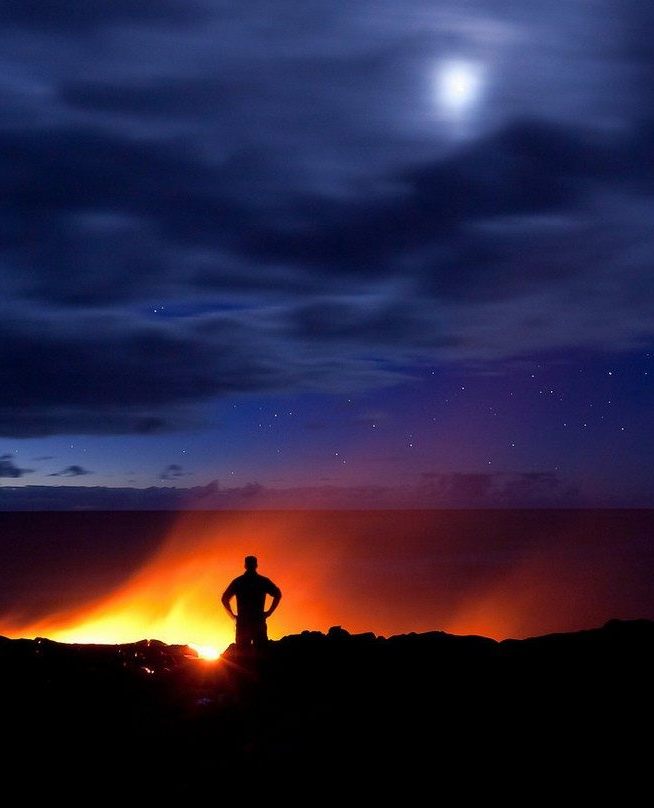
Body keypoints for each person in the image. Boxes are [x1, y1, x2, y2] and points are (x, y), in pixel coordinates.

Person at [221, 555, 282, 650]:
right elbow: (278, 594)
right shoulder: (262, 581)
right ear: (256, 565)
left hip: (243, 622)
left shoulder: (239, 581)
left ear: (245, 565)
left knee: (243, 653)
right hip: (258, 620)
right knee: (261, 651)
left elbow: (224, 598)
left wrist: (233, 615)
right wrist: (269, 612)